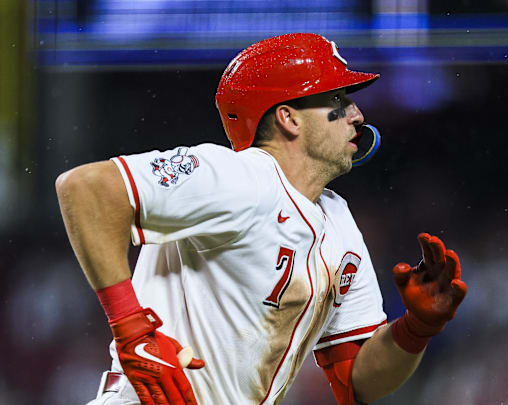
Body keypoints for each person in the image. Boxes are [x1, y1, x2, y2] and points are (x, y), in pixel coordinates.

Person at [56, 33, 467, 405]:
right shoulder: (239, 175)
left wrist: (416, 328)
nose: (357, 114)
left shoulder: (338, 220)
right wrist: (132, 329)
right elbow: (85, 187)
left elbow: (357, 380)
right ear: (289, 118)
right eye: (338, 101)